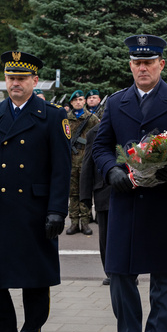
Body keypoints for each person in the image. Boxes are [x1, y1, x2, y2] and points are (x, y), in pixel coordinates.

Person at [91, 34, 167, 332]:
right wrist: (111, 172)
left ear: (161, 64)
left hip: (165, 202)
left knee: (165, 277)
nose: (142, 68)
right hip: (127, 201)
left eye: (149, 62)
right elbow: (101, 146)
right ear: (130, 65)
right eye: (137, 62)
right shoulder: (116, 102)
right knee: (120, 273)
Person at [0, 51, 72, 332]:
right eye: (11, 78)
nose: (15, 83)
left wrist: (57, 210)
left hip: (35, 211)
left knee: (34, 281)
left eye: (22, 78)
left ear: (35, 81)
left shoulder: (53, 116)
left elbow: (61, 169)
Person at [80, 121, 112, 285]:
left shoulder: (129, 125)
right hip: (103, 191)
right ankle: (110, 271)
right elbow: (88, 162)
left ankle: (128, 272)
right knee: (105, 235)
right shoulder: (95, 131)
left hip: (127, 189)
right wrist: (85, 194)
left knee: (127, 234)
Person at [65, 90, 99, 235]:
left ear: (84, 102)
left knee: (85, 192)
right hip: (71, 160)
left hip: (86, 160)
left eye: (80, 99)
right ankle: (73, 223)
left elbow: (97, 137)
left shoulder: (91, 119)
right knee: (73, 194)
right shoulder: (66, 119)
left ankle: (85, 223)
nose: (78, 102)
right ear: (71, 103)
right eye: (75, 100)